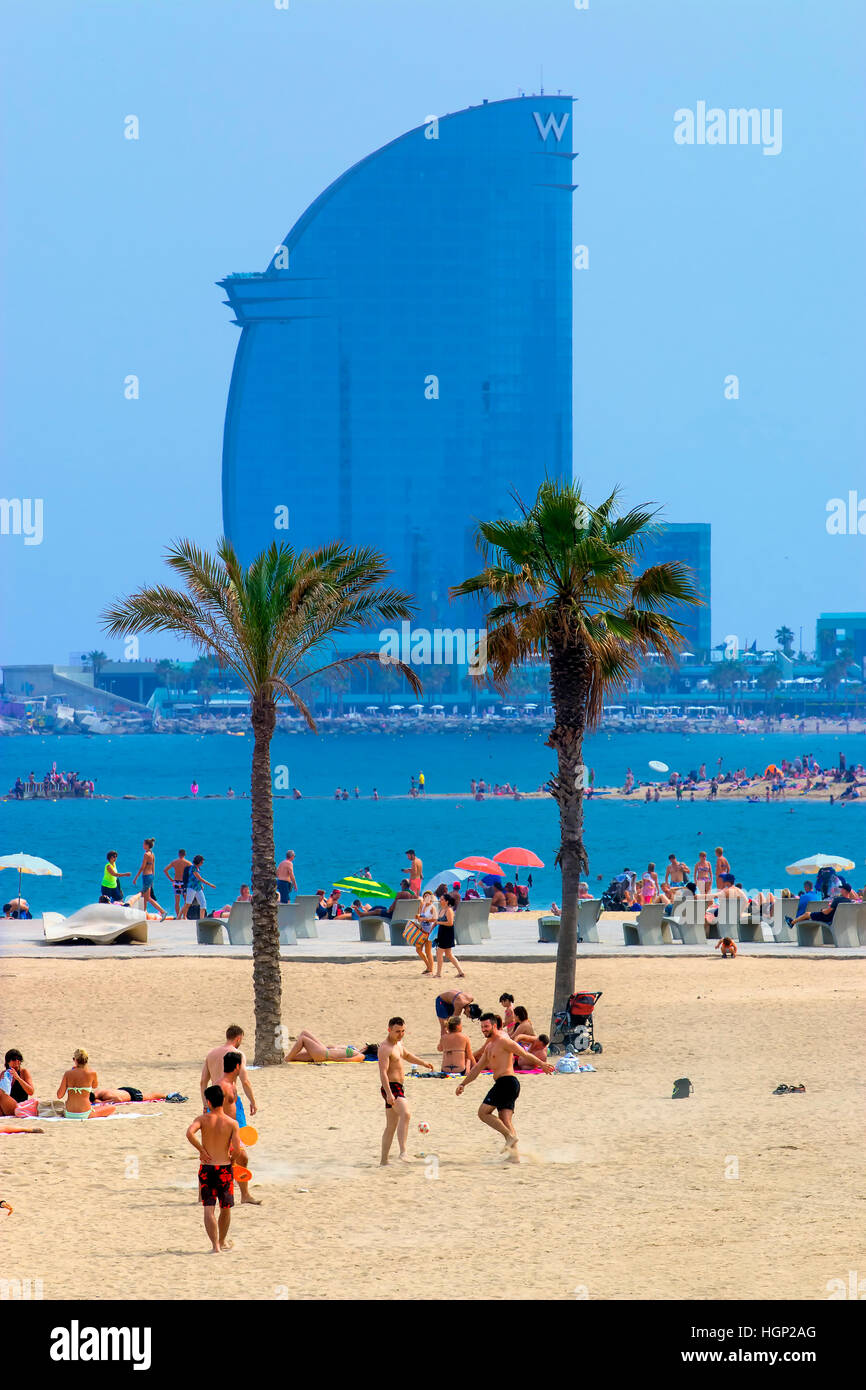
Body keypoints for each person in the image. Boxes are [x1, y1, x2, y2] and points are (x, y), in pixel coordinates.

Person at [456, 1013, 554, 1162]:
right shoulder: (489, 1047)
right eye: (482, 1027)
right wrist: (463, 1083)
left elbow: (524, 1054)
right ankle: (514, 1157)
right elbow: (476, 1069)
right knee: (505, 1119)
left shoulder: (503, 1041)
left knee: (483, 1113)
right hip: (505, 1084)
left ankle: (509, 1137)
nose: (484, 1029)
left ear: (494, 1026)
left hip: (507, 1082)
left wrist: (542, 1065)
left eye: (486, 1026)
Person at [186, 1085, 242, 1253]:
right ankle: (222, 1241)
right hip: (224, 1168)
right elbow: (237, 1149)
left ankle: (215, 1246)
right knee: (225, 1208)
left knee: (208, 1208)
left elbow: (189, 1133)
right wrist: (232, 1160)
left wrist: (201, 1150)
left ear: (208, 1102)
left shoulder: (202, 1119)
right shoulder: (232, 1123)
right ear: (223, 1101)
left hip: (207, 1168)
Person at [377, 1017, 432, 1165]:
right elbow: (383, 1072)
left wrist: (423, 1063)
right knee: (406, 1113)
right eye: (397, 1032)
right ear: (389, 1030)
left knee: (391, 1126)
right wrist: (388, 1093)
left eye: (403, 1031)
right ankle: (403, 1152)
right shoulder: (384, 1048)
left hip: (399, 1087)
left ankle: (383, 1161)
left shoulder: (399, 1044)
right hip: (391, 1087)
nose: (400, 1034)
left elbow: (407, 1056)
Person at [56, 1049, 114, 1119]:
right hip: (85, 1112)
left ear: (75, 1060)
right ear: (86, 1060)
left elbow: (59, 1095)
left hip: (69, 1113)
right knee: (111, 1107)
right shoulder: (92, 1073)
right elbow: (95, 1086)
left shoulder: (67, 1074)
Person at [285, 1030, 377, 1063]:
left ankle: (286, 1060)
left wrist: (333, 1060)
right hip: (324, 1050)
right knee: (304, 1033)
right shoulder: (355, 1050)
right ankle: (288, 1058)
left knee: (303, 1039)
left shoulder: (361, 1055)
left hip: (324, 1054)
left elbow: (349, 1060)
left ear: (366, 1048)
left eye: (365, 1046)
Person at [131, 837, 167, 920]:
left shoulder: (146, 854)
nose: (143, 845)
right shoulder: (152, 854)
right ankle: (144, 913)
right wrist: (152, 879)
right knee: (145, 897)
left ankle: (162, 912)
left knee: (147, 898)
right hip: (150, 876)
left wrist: (135, 878)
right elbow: (153, 867)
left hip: (146, 877)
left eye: (144, 844)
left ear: (147, 845)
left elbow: (142, 867)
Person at [434, 891, 464, 978]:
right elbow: (438, 922)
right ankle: (460, 971)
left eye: (442, 899)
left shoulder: (449, 910)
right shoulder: (441, 910)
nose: (440, 901)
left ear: (447, 901)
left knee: (439, 953)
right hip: (442, 933)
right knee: (448, 954)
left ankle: (438, 973)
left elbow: (450, 923)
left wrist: (439, 922)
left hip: (447, 934)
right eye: (440, 899)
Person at [0, 1048, 37, 1118]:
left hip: (19, 1107)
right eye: (14, 1059)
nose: (17, 1061)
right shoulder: (4, 1074)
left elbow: (31, 1091)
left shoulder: (23, 1072)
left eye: (19, 1059)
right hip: (5, 1107)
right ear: (8, 1062)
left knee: (0, 1093)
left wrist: (18, 1078)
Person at [411, 890, 436, 974]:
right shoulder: (422, 905)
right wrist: (417, 916)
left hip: (429, 931)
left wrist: (424, 919)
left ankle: (430, 969)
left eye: (428, 896)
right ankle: (428, 966)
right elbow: (418, 916)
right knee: (418, 950)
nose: (426, 898)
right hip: (421, 930)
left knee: (428, 951)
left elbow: (435, 919)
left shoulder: (432, 907)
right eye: (425, 896)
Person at [163, 849, 193, 918]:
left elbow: (165, 870)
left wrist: (171, 879)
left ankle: (178, 916)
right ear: (185, 854)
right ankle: (184, 916)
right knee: (186, 901)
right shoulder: (187, 863)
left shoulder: (174, 862)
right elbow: (193, 872)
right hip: (184, 883)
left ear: (178, 854)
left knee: (177, 902)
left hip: (176, 882)